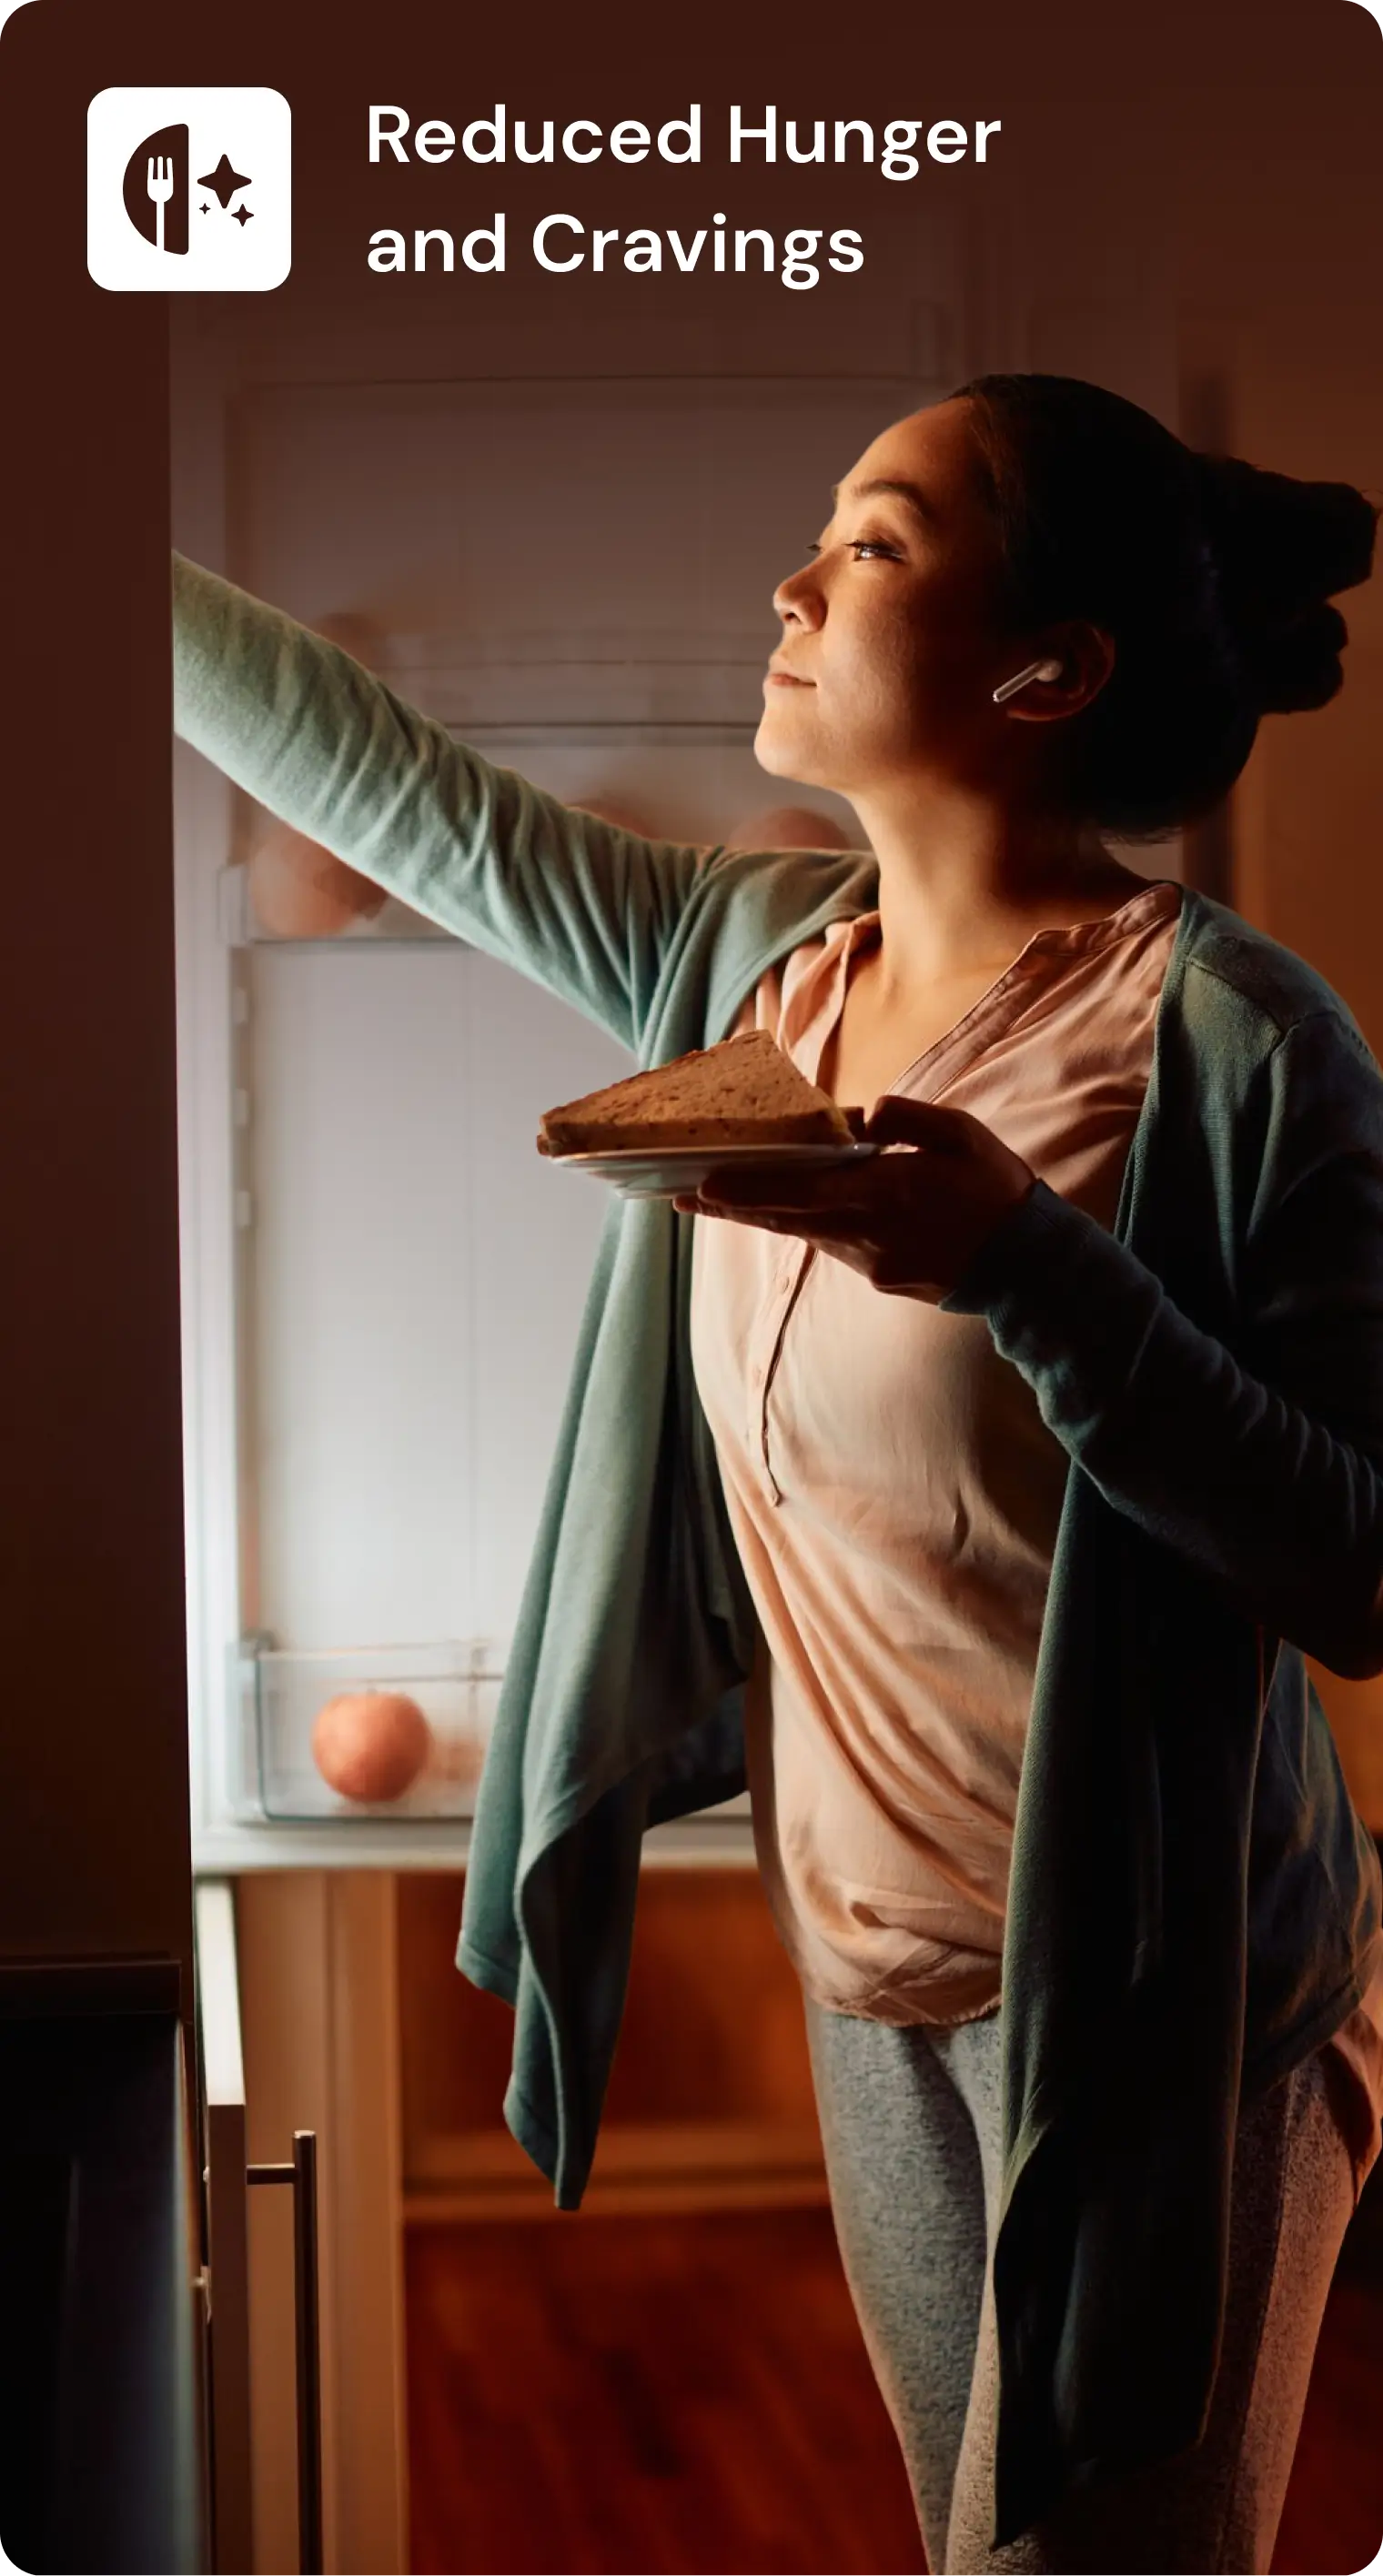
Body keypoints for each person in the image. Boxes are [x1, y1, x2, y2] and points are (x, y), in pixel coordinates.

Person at [171, 372, 1383, 2575]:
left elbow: (1362, 1565)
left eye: (878, 541)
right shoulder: (744, 964)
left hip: (1164, 2006)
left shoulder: (1232, 1043)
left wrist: (1029, 1270)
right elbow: (382, 781)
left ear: (1048, 671)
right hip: (867, 1975)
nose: (793, 582)